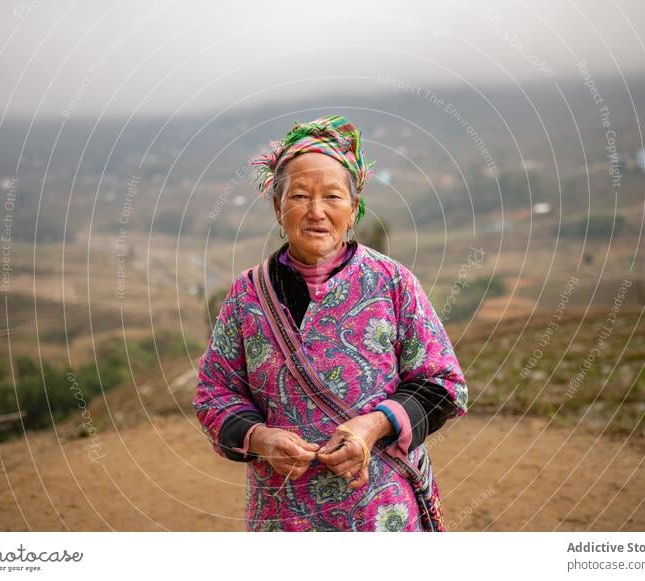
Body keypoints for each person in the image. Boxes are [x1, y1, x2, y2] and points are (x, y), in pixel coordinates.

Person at [193, 114, 468, 531]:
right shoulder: (247, 296)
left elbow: (443, 384)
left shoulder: (392, 283)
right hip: (283, 517)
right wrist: (261, 439)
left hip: (380, 513)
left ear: (354, 208)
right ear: (277, 206)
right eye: (300, 196)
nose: (316, 212)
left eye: (333, 197)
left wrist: (373, 426)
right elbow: (214, 392)